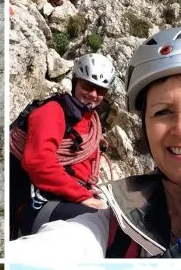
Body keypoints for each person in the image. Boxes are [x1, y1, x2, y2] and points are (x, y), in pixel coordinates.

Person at [10, 27, 181, 259]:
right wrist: (84, 197)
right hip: (43, 199)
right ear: (144, 124)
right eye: (162, 112)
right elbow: (57, 245)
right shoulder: (111, 227)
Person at [10, 53, 116, 237]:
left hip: (68, 198)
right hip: (38, 201)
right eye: (88, 86)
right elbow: (37, 161)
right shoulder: (52, 111)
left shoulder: (90, 122)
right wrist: (83, 196)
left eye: (100, 91)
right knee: (103, 227)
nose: (93, 95)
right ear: (75, 82)